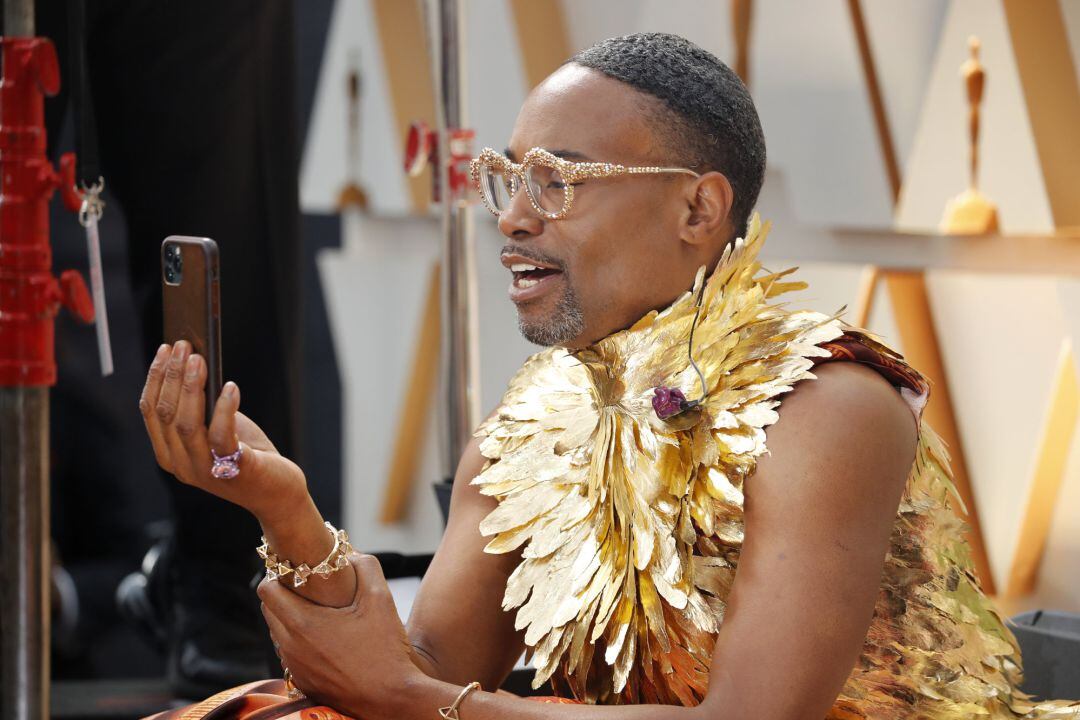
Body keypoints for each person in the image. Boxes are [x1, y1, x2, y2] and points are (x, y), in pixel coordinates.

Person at [139, 33, 1080, 719]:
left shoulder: (828, 407)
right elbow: (412, 673)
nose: (513, 217)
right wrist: (284, 508)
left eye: (559, 178)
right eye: (510, 176)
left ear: (699, 209)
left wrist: (421, 700)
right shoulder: (533, 417)